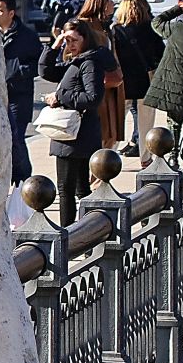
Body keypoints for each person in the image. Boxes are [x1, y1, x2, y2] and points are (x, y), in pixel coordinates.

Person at [39, 19, 108, 225]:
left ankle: (70, 234)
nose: (70, 45)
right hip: (71, 134)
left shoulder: (89, 63)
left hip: (76, 134)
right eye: (67, 41)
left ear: (85, 39)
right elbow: (46, 71)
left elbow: (93, 97)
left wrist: (61, 97)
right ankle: (85, 232)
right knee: (77, 189)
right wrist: (55, 44)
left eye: (74, 40)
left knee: (68, 189)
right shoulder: (76, 62)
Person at [143, 0, 183, 160]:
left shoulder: (179, 27)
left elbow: (156, 22)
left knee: (174, 121)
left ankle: (174, 153)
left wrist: (177, 9)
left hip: (175, 81)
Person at [0, 0, 42, 185]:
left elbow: (39, 64)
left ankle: (24, 179)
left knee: (17, 138)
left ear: (11, 13)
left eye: (0, 11)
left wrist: (18, 71)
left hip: (18, 95)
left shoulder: (27, 36)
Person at [111, 0, 165, 156]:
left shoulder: (115, 31)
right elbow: (160, 54)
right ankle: (145, 158)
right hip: (145, 83)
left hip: (122, 84)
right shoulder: (150, 30)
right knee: (146, 124)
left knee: (115, 125)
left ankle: (105, 158)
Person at [74, 0, 127, 149]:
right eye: (110, 1)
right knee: (100, 134)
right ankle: (95, 173)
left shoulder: (105, 26)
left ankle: (98, 173)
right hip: (94, 84)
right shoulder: (83, 25)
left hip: (111, 85)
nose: (113, 4)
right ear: (102, 4)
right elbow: (72, 54)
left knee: (111, 135)